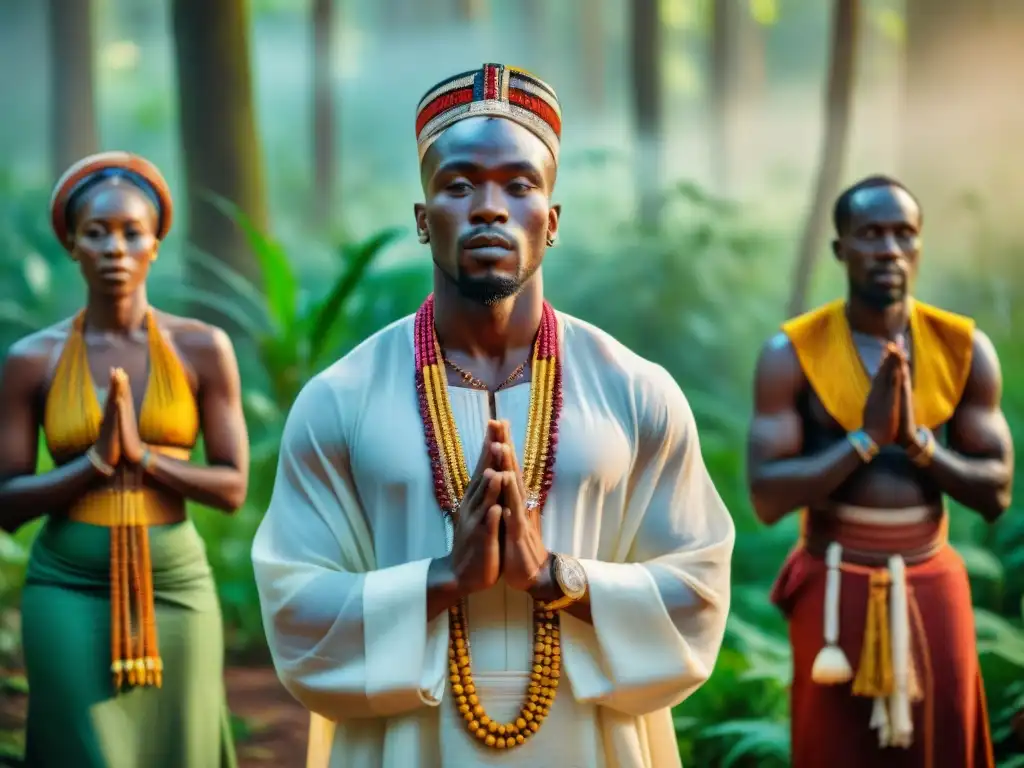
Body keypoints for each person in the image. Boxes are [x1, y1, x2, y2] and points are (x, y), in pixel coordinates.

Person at [252, 63, 735, 768]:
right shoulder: (340, 398)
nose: (488, 206)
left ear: (553, 219)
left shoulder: (636, 391)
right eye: (458, 185)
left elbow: (699, 588)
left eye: (519, 184)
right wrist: (445, 578)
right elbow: (295, 606)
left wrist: (556, 577)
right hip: (404, 744)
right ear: (423, 221)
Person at [746, 174, 1012, 767]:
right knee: (836, 748)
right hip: (834, 578)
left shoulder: (962, 348)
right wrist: (863, 440)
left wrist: (919, 445)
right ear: (841, 248)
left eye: (903, 234)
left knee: (941, 743)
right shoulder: (793, 353)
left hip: (931, 578)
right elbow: (767, 496)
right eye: (870, 234)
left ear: (918, 246)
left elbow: (996, 492)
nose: (889, 249)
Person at [0, 151, 250, 767]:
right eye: (97, 233)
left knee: (180, 750)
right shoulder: (33, 360)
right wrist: (95, 463)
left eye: (131, 232)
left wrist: (146, 459)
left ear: (155, 245)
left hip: (176, 585)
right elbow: (6, 502)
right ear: (72, 246)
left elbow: (232, 486)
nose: (115, 248)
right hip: (66, 585)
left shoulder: (202, 349)